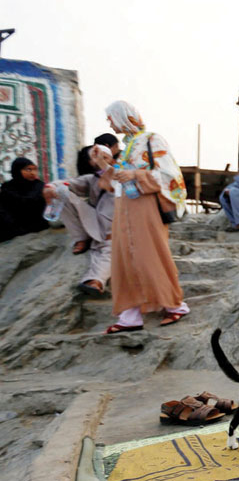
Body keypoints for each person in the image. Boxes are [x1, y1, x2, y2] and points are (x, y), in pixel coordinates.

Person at [102, 100, 190, 334]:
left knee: (149, 254)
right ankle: (130, 314)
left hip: (145, 206)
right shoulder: (128, 146)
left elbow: (168, 174)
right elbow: (116, 180)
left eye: (111, 117)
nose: (109, 122)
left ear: (122, 116)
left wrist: (134, 174)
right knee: (124, 258)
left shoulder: (152, 140)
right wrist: (105, 165)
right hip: (124, 206)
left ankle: (175, 304)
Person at [42, 144, 117, 295]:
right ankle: (81, 238)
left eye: (105, 156)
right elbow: (66, 183)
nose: (101, 159)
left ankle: (96, 281)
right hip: (96, 223)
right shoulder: (90, 179)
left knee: (109, 252)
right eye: (95, 157)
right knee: (62, 191)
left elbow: (114, 182)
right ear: (90, 162)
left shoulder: (122, 175)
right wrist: (49, 187)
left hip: (118, 228)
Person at [0, 157, 49, 242]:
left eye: (35, 170)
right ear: (17, 170)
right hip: (14, 225)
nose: (33, 173)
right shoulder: (7, 188)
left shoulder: (40, 186)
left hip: (36, 223)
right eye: (28, 169)